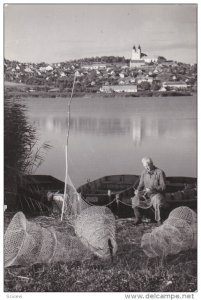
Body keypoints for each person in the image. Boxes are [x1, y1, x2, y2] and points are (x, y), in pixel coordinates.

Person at [132, 157, 166, 225]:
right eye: (145, 166)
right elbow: (141, 184)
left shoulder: (160, 172)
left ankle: (159, 220)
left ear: (152, 164)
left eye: (148, 166)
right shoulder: (144, 172)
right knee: (135, 199)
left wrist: (153, 189)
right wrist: (137, 190)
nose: (147, 168)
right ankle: (138, 218)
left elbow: (163, 187)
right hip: (145, 194)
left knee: (157, 201)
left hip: (156, 193)